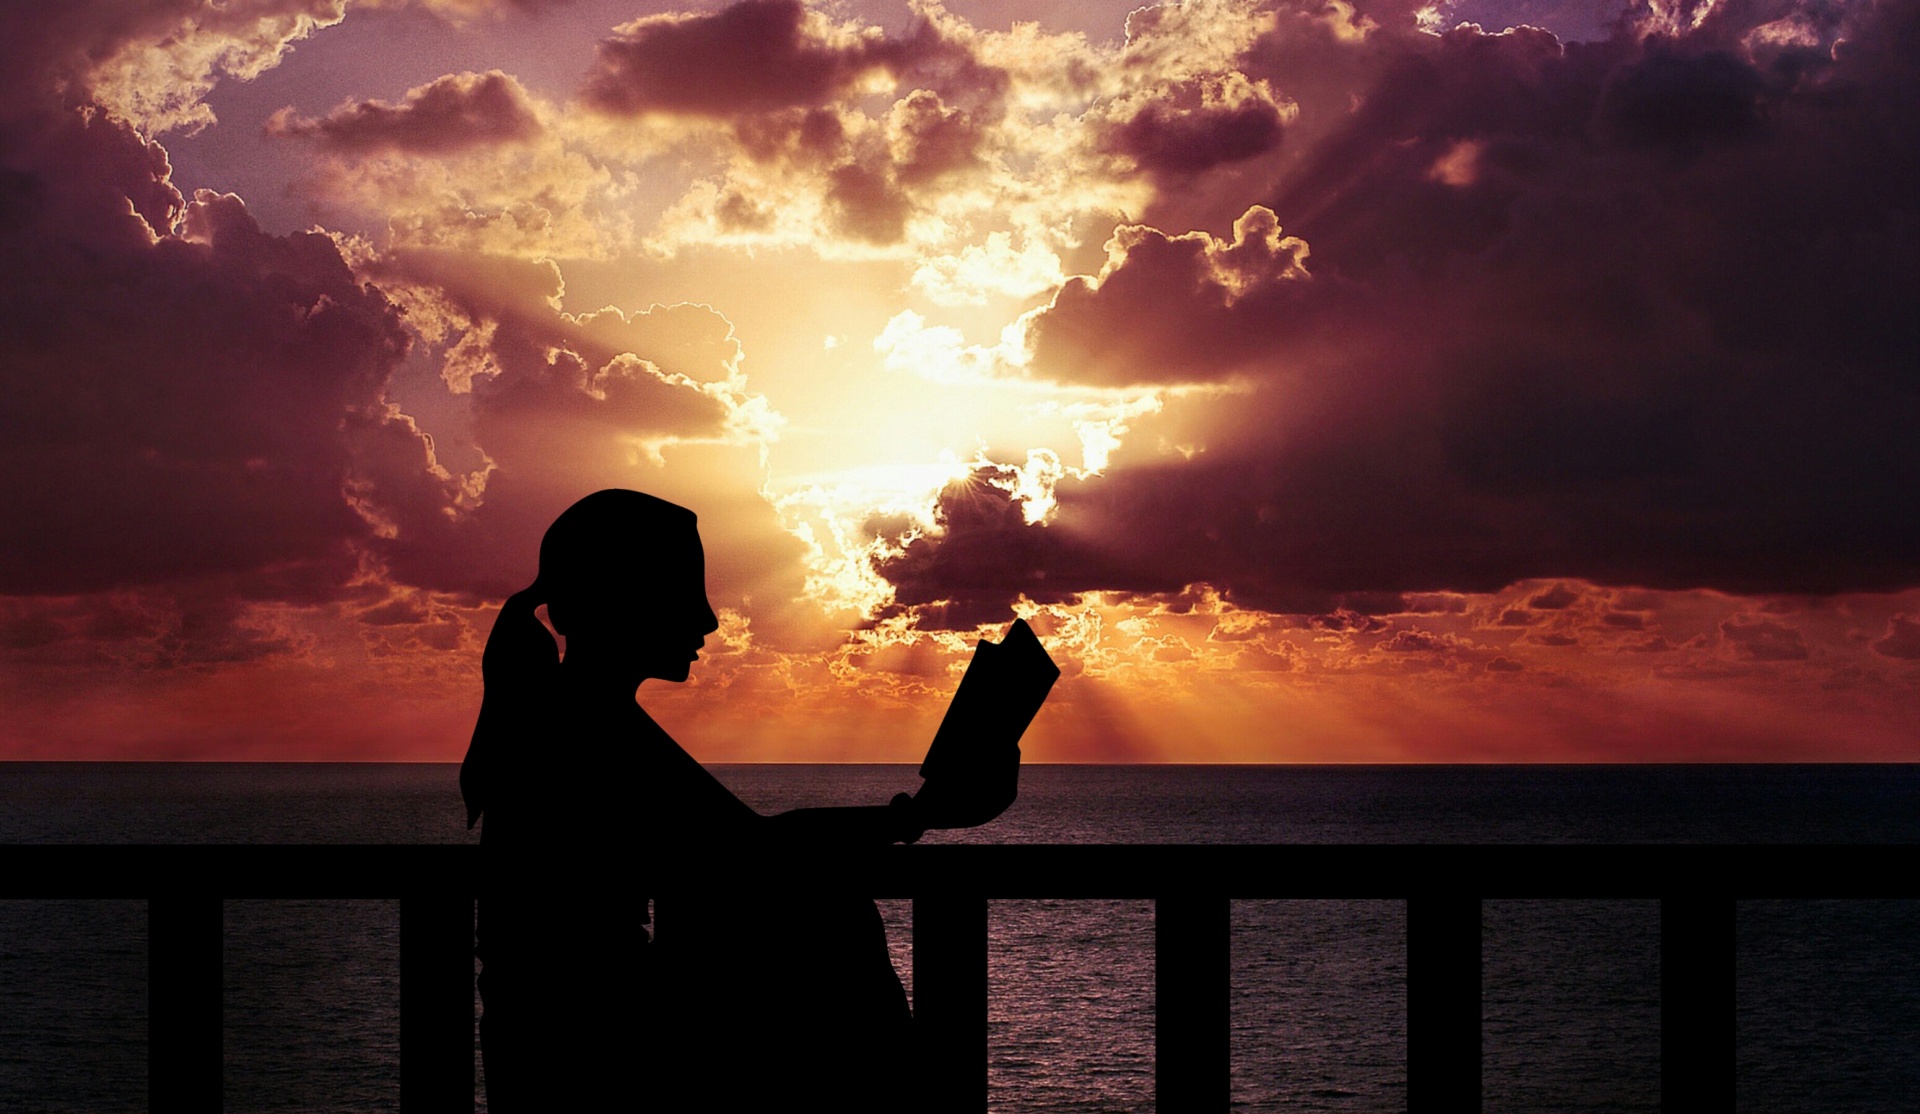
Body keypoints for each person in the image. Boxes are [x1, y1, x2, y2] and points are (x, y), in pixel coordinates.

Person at [461, 489, 957, 1111]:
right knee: (833, 919)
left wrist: (909, 818)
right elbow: (754, 846)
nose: (708, 620)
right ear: (622, 598)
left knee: (821, 915)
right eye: (681, 590)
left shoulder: (579, 714)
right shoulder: (587, 724)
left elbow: (743, 842)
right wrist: (916, 817)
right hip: (582, 1047)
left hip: (565, 1035)